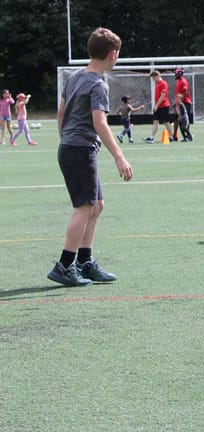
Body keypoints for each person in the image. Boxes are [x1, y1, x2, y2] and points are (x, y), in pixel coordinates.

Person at [47, 27, 133, 286]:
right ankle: (65, 265)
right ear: (113, 54)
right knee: (84, 207)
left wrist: (65, 138)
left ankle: (85, 262)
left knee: (97, 205)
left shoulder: (74, 77)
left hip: (71, 147)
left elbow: (61, 112)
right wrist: (119, 156)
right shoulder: (98, 84)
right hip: (80, 149)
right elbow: (100, 122)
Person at [145, 70, 172, 143]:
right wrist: (156, 105)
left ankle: (171, 137)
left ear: (157, 76)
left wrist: (156, 105)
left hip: (164, 106)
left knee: (166, 122)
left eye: (153, 78)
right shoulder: (157, 84)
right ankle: (151, 137)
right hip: (157, 106)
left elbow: (163, 96)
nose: (153, 80)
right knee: (155, 121)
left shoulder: (163, 83)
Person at [173, 67, 193, 140]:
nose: (175, 75)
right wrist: (176, 103)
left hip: (185, 102)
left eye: (176, 73)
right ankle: (175, 136)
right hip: (179, 103)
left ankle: (188, 136)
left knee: (184, 119)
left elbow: (184, 93)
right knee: (176, 119)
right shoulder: (178, 81)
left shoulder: (183, 81)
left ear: (180, 74)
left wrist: (180, 103)